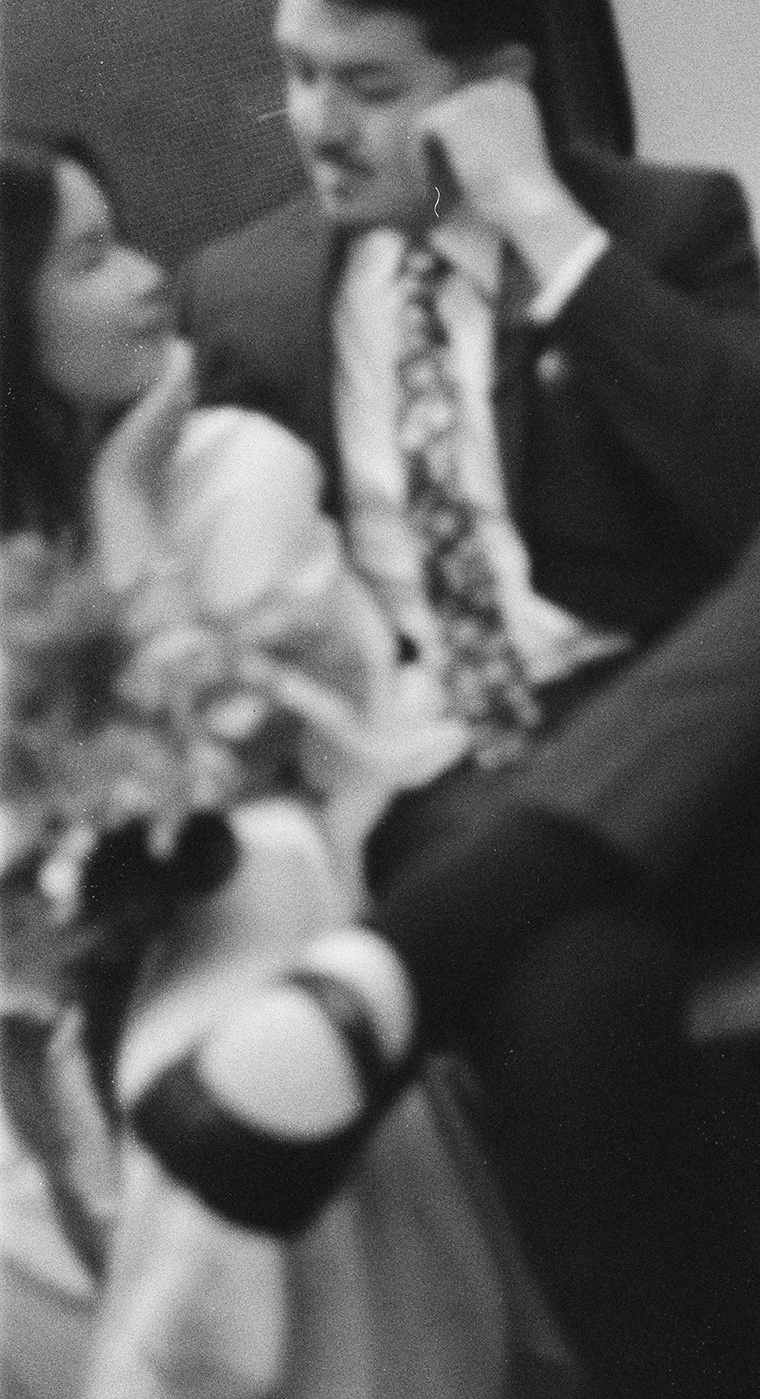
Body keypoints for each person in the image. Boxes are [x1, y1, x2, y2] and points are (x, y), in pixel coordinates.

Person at [179, 0, 760, 1391]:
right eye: (295, 73)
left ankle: (414, 958)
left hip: (736, 765)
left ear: (494, 88)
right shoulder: (245, 296)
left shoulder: (660, 226)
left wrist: (546, 231)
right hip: (463, 790)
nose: (314, 124)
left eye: (366, 86)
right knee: (565, 1001)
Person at [0, 130, 578, 1399]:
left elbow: (211, 786)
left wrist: (125, 501)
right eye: (91, 258)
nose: (151, 280)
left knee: (245, 928)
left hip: (254, 898)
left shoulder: (229, 471)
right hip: (49, 973)